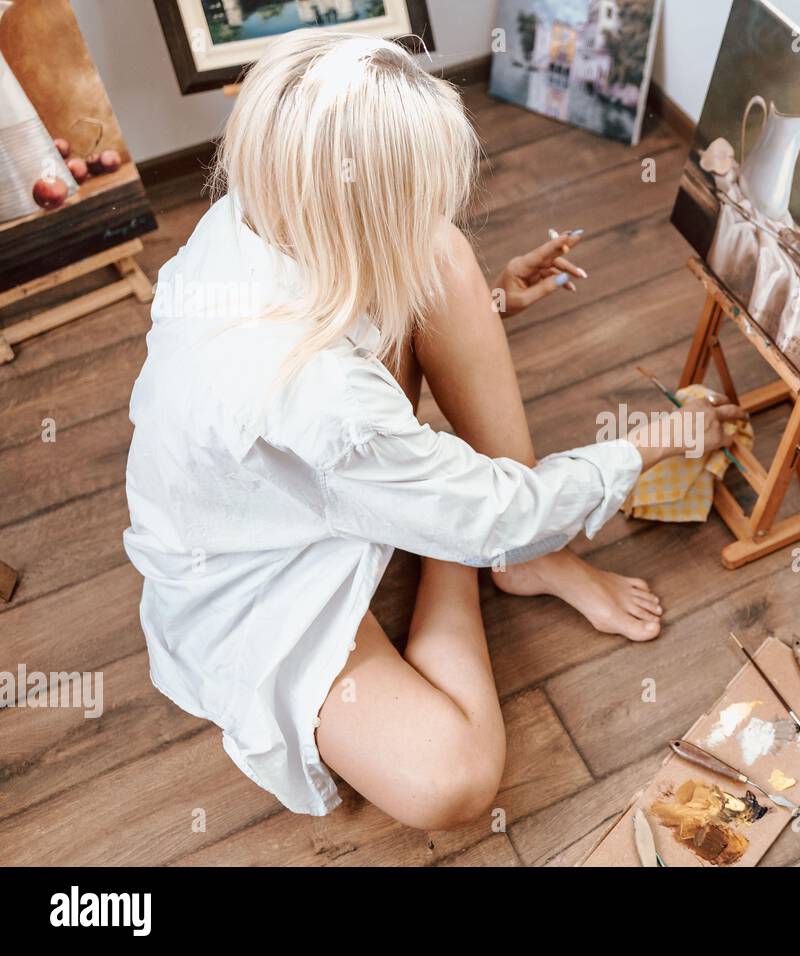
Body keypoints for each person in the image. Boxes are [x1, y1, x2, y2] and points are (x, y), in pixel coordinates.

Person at [122, 32, 743, 829]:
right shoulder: (312, 392)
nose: (438, 211)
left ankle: (514, 556)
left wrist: (486, 305)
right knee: (454, 780)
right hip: (255, 571)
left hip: (302, 456)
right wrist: (660, 438)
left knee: (440, 258)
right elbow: (499, 509)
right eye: (415, 195)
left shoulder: (257, 205)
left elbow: (360, 300)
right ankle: (468, 553)